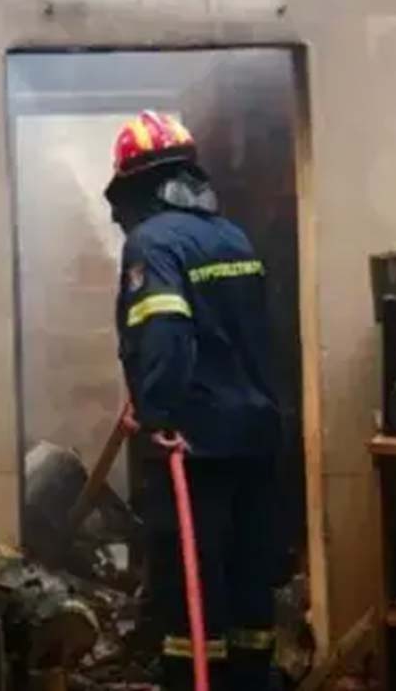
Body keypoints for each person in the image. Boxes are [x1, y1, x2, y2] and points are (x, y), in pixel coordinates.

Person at [104, 111, 284, 691]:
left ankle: (193, 680)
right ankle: (252, 681)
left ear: (132, 187)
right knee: (248, 576)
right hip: (255, 435)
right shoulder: (233, 237)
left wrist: (157, 411)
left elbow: (165, 333)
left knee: (190, 586)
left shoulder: (152, 243)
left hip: (195, 445)